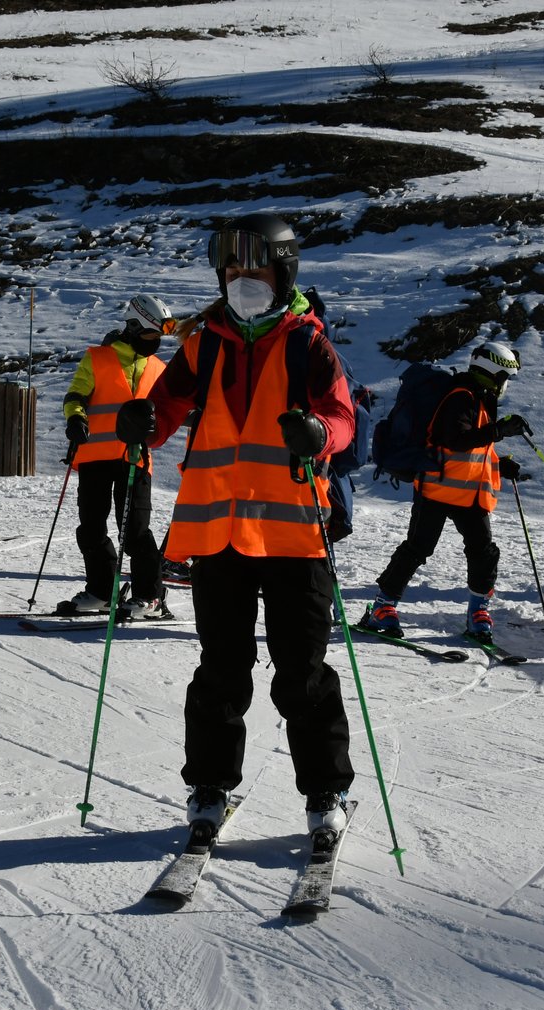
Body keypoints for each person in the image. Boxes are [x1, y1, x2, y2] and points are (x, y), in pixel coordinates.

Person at [114, 211, 358, 843]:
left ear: (282, 272)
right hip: (220, 535)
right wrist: (146, 423)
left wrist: (320, 434)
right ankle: (210, 786)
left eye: (255, 270)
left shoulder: (308, 342)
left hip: (294, 536)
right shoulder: (207, 340)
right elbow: (170, 400)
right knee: (221, 668)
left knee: (301, 673)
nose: (242, 281)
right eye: (232, 271)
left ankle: (325, 791)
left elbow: (342, 416)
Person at [359, 341, 529, 641]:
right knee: (418, 548)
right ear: (491, 372)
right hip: (436, 490)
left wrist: (499, 466)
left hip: (468, 494)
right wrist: (500, 430)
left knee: (483, 552)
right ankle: (382, 607)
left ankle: (478, 611)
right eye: (505, 377)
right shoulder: (460, 396)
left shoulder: (479, 398)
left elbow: (473, 450)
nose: (506, 385)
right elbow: (455, 439)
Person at [60, 294, 174, 618]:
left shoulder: (159, 369)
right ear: (134, 327)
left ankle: (149, 597)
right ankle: (101, 591)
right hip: (96, 455)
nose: (155, 342)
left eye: (159, 337)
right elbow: (75, 396)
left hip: (135, 458)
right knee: (92, 527)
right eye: (151, 335)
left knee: (136, 531)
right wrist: (76, 419)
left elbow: (167, 416)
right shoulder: (98, 358)